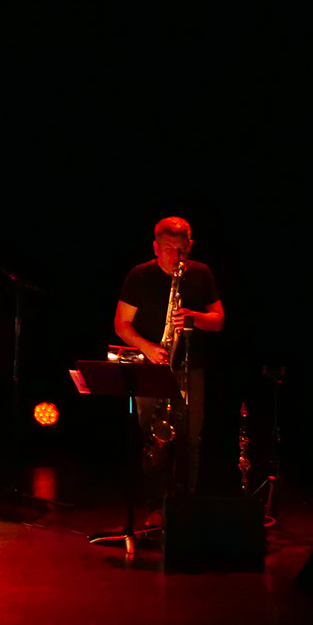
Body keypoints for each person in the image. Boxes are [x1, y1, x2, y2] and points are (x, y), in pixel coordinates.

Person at [114, 216, 225, 507]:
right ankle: (156, 505)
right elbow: (121, 324)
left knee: (191, 439)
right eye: (167, 248)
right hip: (153, 366)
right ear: (155, 247)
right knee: (153, 439)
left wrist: (194, 317)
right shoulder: (139, 276)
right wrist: (148, 348)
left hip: (191, 368)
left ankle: (185, 506)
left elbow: (218, 320)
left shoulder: (201, 273)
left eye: (181, 249)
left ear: (190, 247)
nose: (175, 255)